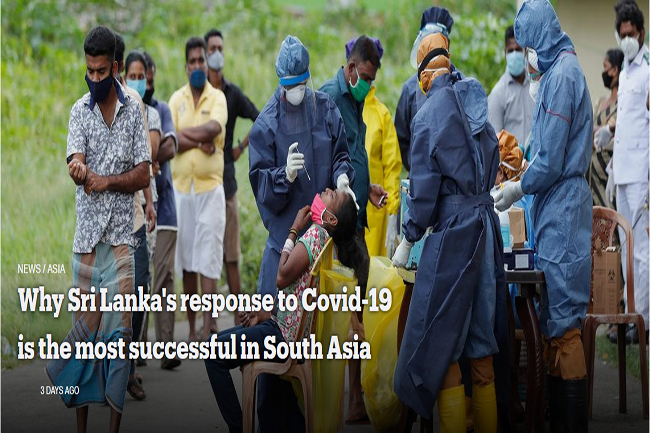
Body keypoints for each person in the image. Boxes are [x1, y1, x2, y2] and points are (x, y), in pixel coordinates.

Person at [391, 32, 507, 433]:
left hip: (455, 238)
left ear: (424, 73)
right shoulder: (473, 98)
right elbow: (492, 156)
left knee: (442, 346)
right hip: (485, 231)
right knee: (482, 347)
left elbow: (422, 193)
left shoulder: (427, 116)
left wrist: (408, 238)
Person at [46, 26, 150, 433]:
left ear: (116, 68)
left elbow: (144, 172)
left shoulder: (133, 108)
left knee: (120, 341)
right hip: (88, 243)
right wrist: (79, 170)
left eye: (101, 71)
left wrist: (105, 181)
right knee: (85, 340)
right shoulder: (78, 111)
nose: (94, 79)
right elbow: (77, 159)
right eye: (88, 71)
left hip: (122, 241)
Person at [494, 1, 593, 430]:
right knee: (552, 326)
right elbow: (539, 150)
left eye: (527, 46)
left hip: (564, 209)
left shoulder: (565, 76)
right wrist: (519, 174)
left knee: (566, 328)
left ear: (541, 40)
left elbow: (551, 160)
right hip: (553, 207)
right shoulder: (554, 74)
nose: (525, 54)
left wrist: (517, 186)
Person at [248, 35, 354, 430]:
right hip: (286, 249)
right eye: (288, 86)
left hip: (322, 248)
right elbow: (261, 186)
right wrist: (282, 176)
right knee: (274, 360)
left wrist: (342, 175)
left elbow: (341, 151)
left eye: (300, 84)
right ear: (280, 82)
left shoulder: (325, 109)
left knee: (320, 352)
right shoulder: (267, 124)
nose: (295, 92)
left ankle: (318, 420)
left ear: (308, 79)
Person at [205, 189, 366, 433]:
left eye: (332, 195)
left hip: (282, 338)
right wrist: (265, 314)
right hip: (285, 331)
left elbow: (281, 277)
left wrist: (293, 229)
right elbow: (298, 300)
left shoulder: (315, 235)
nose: (327, 190)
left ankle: (238, 427)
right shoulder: (325, 242)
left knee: (212, 350)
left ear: (331, 219)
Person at [320, 35, 388, 424]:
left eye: (371, 79)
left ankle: (355, 400)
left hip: (355, 218)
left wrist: (368, 187)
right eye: (363, 76)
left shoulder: (356, 96)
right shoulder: (330, 96)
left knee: (355, 307)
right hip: (336, 224)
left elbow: (356, 151)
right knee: (340, 309)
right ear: (350, 68)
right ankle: (333, 398)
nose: (366, 83)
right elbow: (328, 154)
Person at [169, 37, 228, 341]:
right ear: (186, 65)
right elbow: (169, 142)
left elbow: (214, 129)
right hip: (182, 192)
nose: (196, 66)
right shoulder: (176, 99)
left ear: (206, 63)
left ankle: (208, 329)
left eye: (200, 61)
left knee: (208, 260)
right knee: (188, 262)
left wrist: (182, 136)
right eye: (191, 61)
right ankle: (192, 331)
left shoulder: (217, 97)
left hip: (210, 190)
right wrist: (191, 139)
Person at [204, 29, 260, 325]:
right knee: (207, 258)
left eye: (220, 47)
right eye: (212, 47)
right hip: (201, 186)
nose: (217, 52)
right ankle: (209, 323)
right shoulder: (197, 93)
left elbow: (260, 117)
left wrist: (240, 147)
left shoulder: (232, 93)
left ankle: (240, 320)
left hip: (226, 183)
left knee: (232, 256)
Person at [607, 0, 649, 345]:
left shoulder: (648, 70)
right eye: (621, 35)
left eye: (631, 34)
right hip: (622, 172)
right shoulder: (628, 70)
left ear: (642, 32)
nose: (626, 40)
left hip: (641, 176)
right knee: (624, 249)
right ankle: (629, 315)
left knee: (642, 250)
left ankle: (643, 322)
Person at [124, 50, 163, 398]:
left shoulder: (137, 104)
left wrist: (149, 202)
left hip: (136, 213)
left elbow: (146, 157)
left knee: (139, 291)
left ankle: (129, 365)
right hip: (107, 222)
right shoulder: (86, 110)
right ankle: (118, 369)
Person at [142, 51, 182, 369]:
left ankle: (166, 348)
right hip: (135, 208)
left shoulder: (161, 109)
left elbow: (171, 145)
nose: (146, 83)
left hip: (164, 205)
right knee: (141, 277)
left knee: (164, 276)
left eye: (149, 77)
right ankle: (136, 349)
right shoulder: (126, 111)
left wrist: (153, 154)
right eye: (140, 77)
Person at [345, 37, 402, 258]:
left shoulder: (381, 114)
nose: (365, 82)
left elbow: (392, 166)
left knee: (373, 280)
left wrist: (392, 213)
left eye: (369, 78)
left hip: (375, 214)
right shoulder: (341, 107)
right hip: (347, 210)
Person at [395, 6, 455, 171]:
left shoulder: (459, 84)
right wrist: (417, 165)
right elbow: (401, 138)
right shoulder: (410, 89)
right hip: (419, 175)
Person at [488, 26, 535, 145]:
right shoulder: (498, 93)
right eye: (510, 51)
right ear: (505, 53)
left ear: (524, 51)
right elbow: (494, 140)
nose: (514, 54)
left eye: (518, 49)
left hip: (537, 161)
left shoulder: (536, 85)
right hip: (511, 162)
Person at [590, 49, 624, 208]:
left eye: (605, 67)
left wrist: (599, 131)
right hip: (591, 168)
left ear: (615, 70)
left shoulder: (623, 104)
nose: (604, 72)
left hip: (609, 166)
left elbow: (615, 134)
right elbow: (588, 129)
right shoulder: (601, 101)